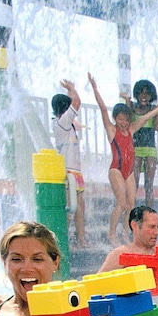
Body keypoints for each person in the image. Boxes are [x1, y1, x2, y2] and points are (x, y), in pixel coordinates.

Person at [88, 73, 158, 247]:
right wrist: (95, 88)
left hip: (127, 172)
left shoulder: (132, 129)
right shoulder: (112, 131)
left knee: (131, 204)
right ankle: (111, 233)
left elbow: (147, 117)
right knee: (121, 202)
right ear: (115, 119)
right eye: (120, 119)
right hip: (116, 169)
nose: (124, 123)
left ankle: (126, 233)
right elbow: (103, 109)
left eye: (126, 119)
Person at [52, 79, 88, 247]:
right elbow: (77, 103)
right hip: (68, 172)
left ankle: (81, 239)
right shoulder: (61, 123)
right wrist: (73, 89)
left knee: (80, 208)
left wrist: (69, 91)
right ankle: (62, 242)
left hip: (76, 172)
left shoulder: (67, 124)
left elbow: (72, 104)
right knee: (68, 209)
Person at [129, 80, 158, 208]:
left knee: (149, 184)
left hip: (150, 149)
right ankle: (131, 210)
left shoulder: (154, 109)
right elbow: (126, 124)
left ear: (152, 96)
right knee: (134, 183)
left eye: (147, 94)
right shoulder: (132, 107)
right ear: (136, 94)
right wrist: (127, 101)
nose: (144, 96)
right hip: (136, 148)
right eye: (141, 93)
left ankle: (149, 213)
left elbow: (157, 127)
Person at [97, 205, 158, 273]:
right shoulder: (120, 254)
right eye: (152, 227)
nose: (157, 232)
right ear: (135, 226)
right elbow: (97, 282)